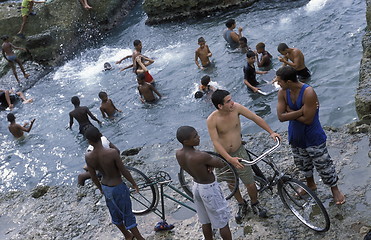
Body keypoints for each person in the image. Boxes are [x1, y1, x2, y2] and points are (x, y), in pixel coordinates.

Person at [207, 89, 281, 222]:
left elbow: (255, 118)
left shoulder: (236, 108)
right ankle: (241, 203)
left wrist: (271, 132)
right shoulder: (212, 120)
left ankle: (254, 203)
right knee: (231, 183)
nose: (232, 102)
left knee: (250, 183)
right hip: (223, 157)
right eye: (228, 101)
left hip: (239, 152)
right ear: (220, 106)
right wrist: (229, 159)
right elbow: (216, 142)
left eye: (231, 99)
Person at [275, 66, 345, 205]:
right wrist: (300, 111)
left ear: (288, 81)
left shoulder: (308, 92)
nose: (278, 84)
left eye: (279, 81)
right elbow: (281, 117)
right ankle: (310, 184)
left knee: (323, 164)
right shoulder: (283, 93)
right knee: (302, 163)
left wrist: (290, 112)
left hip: (313, 136)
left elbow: (308, 120)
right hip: (296, 136)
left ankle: (334, 189)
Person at [84, 127, 145, 240]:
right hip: (118, 187)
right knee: (127, 214)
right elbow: (123, 170)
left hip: (105, 187)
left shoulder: (88, 157)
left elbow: (93, 177)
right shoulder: (111, 153)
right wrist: (134, 183)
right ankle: (140, 238)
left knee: (115, 214)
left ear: (89, 141)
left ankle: (127, 235)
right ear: (101, 136)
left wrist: (101, 189)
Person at [176, 126, 232, 240]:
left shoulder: (179, 154)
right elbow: (221, 163)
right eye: (195, 136)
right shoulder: (201, 156)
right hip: (209, 189)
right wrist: (209, 162)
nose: (198, 137)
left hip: (196, 187)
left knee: (205, 222)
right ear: (186, 141)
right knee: (223, 222)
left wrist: (207, 163)